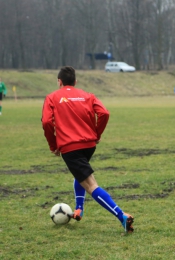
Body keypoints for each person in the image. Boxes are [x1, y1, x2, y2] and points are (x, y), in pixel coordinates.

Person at [42, 66, 134, 232]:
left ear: (59, 82)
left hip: (70, 147)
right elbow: (104, 113)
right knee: (80, 174)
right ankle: (79, 209)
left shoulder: (52, 97)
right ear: (75, 82)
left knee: (91, 185)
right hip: (89, 146)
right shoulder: (87, 95)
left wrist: (53, 145)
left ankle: (122, 216)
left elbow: (47, 122)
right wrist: (96, 134)